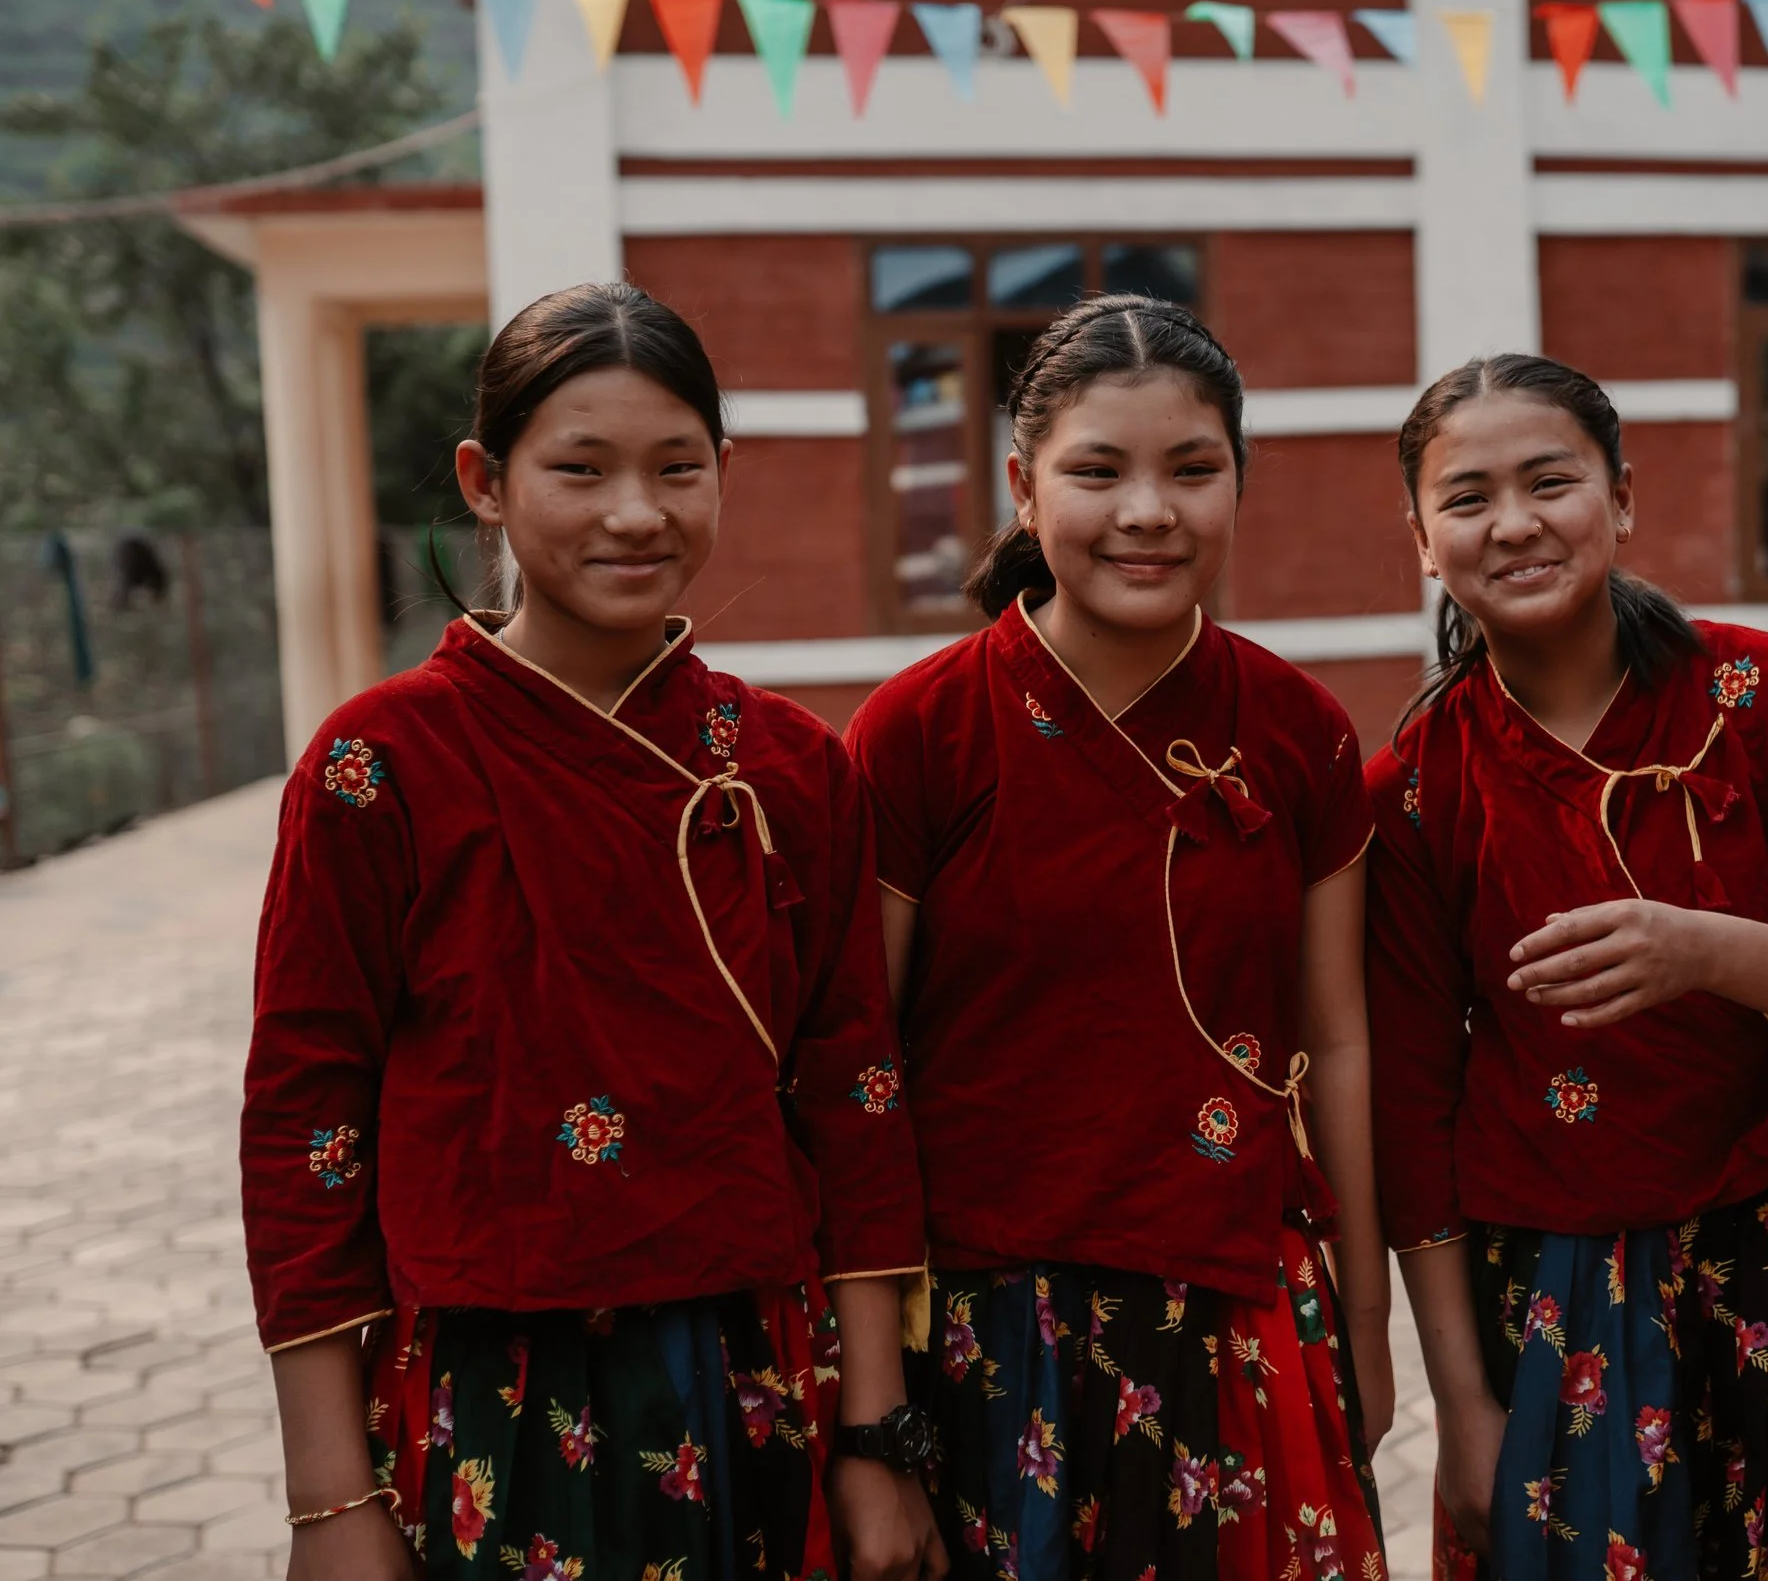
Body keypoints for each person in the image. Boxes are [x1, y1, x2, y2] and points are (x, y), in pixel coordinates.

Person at [242, 283, 944, 1581]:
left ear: (723, 474)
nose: (636, 511)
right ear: (487, 480)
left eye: (678, 467)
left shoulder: (793, 768)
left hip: (756, 1373)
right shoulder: (378, 765)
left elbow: (857, 1092)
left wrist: (877, 1435)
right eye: (580, 467)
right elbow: (306, 1125)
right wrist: (330, 1499)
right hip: (491, 1388)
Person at [844, 295, 1393, 1581]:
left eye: (1192, 470)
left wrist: (1365, 1330)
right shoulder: (918, 732)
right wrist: (869, 1407)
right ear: (1025, 487)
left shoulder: (1300, 729)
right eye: (1099, 470)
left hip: (1244, 1304)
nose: (1149, 510)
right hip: (991, 1328)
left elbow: (1341, 1041)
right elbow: (856, 1071)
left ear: (1239, 484)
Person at [1365, 354, 1768, 1581]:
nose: (1512, 523)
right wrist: (1461, 1406)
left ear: (1621, 497)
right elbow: (1409, 1106)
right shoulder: (1413, 783)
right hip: (1551, 1280)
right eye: (1466, 498)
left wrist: (1706, 949)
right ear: (1420, 538)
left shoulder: (1766, 692)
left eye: (1549, 481)